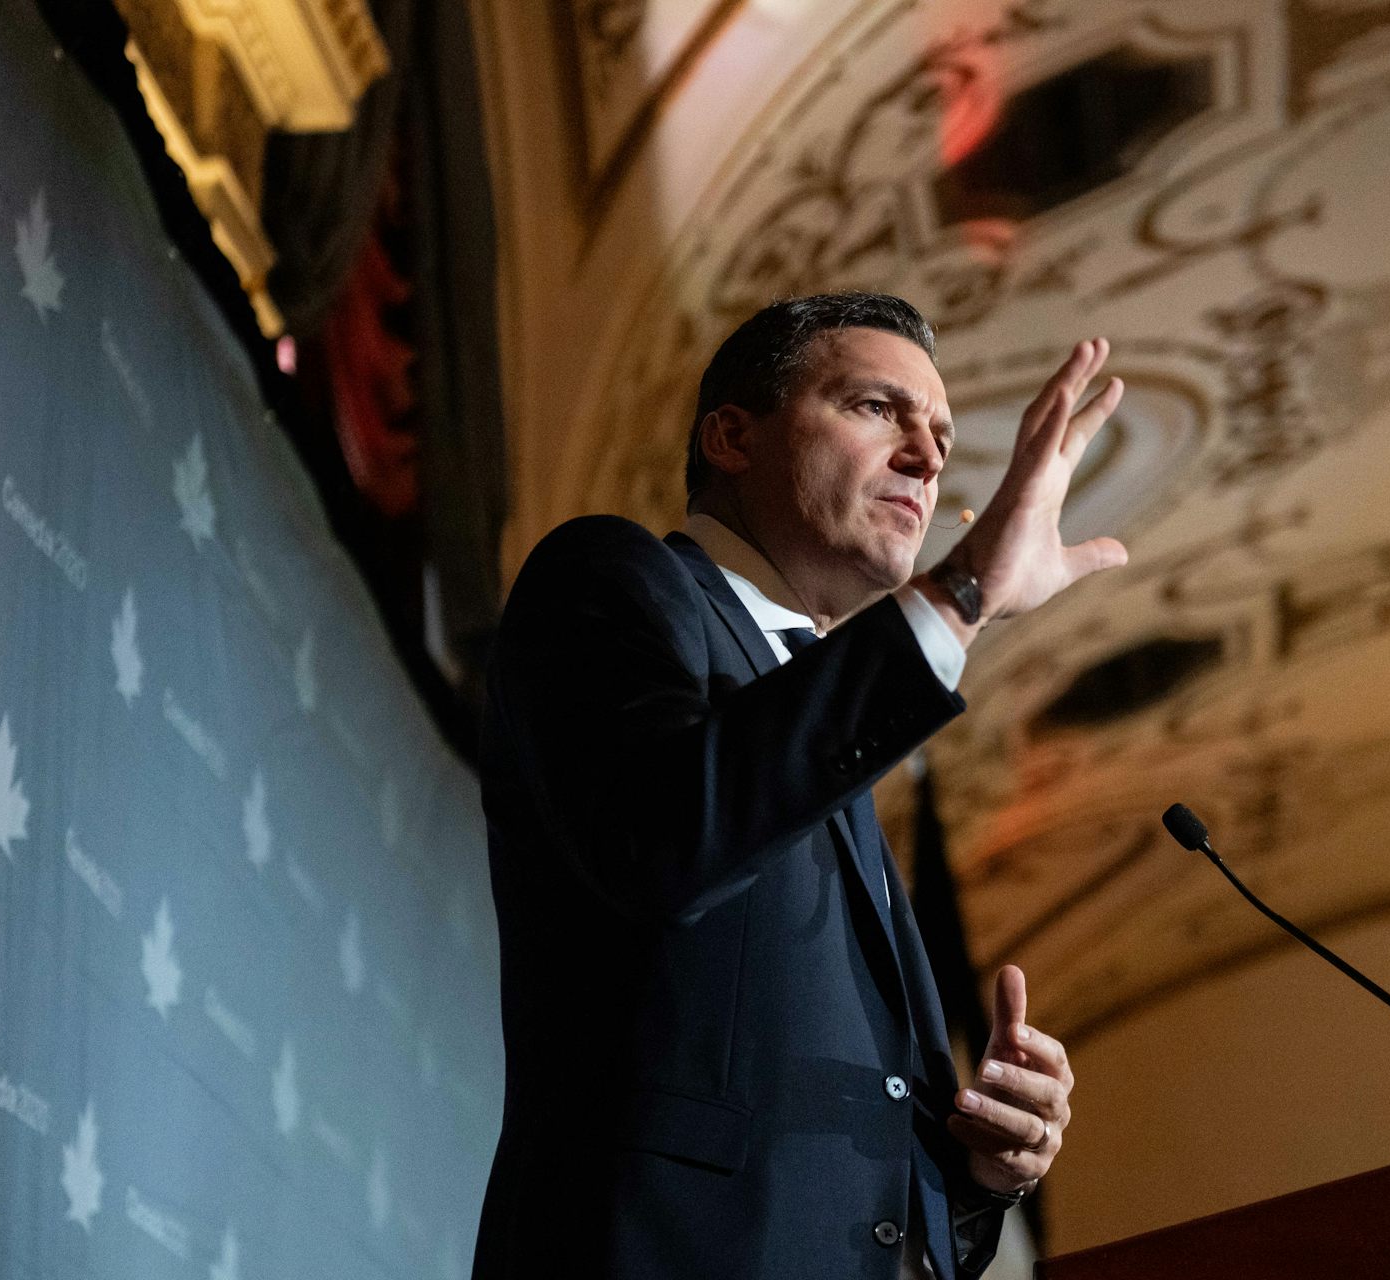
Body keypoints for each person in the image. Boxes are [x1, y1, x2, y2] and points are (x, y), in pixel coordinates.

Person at [472, 292, 1127, 1279]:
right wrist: (962, 589)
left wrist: (983, 1168)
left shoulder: (824, 741)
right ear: (732, 435)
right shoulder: (614, 579)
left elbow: (871, 1189)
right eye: (877, 407)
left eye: (940, 433)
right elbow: (664, 836)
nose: (927, 454)